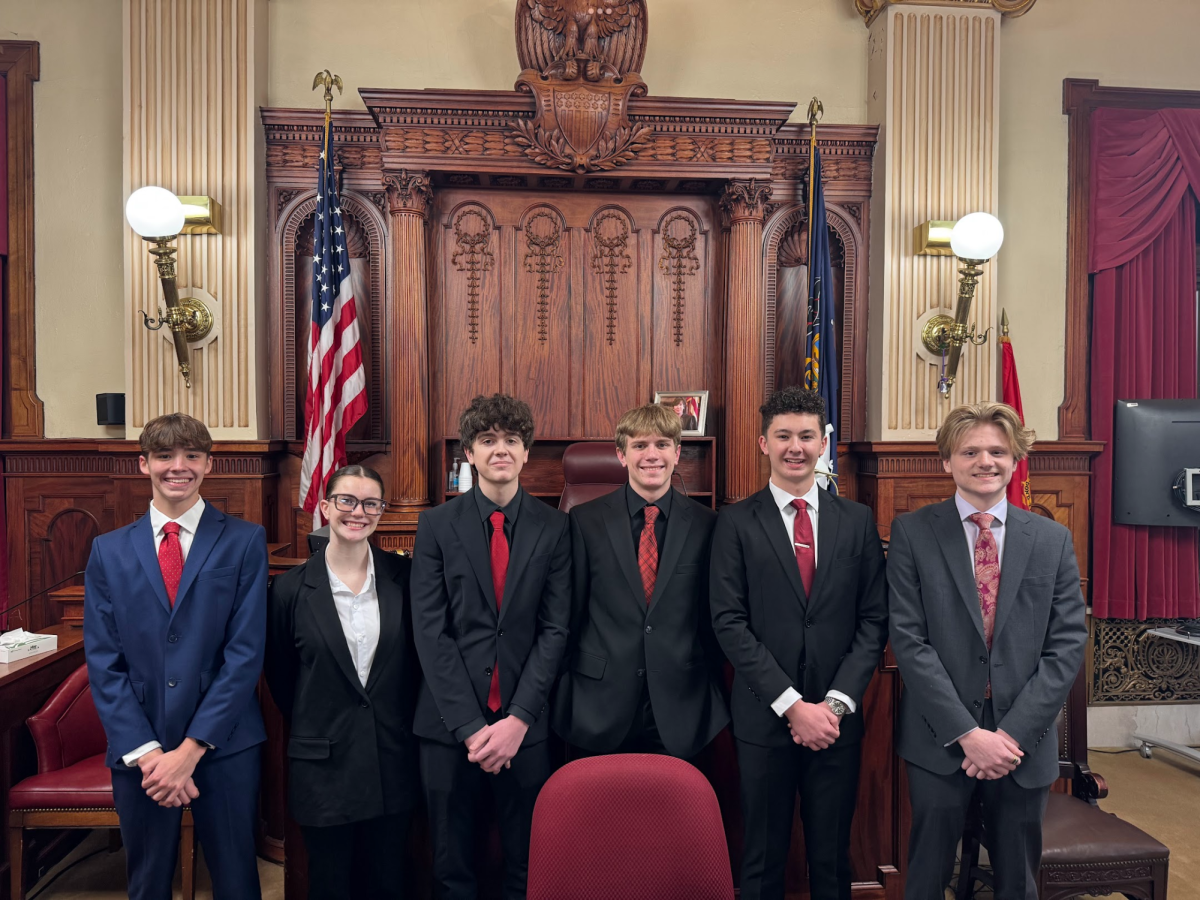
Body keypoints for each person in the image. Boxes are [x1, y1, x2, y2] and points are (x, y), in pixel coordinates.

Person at [887, 403, 1087, 900]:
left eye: (998, 451)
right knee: (927, 877)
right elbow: (910, 642)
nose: (985, 461)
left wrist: (1009, 735)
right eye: (970, 451)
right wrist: (967, 733)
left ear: (1016, 459)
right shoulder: (912, 533)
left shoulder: (1052, 538)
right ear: (946, 461)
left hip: (1023, 743)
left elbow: (1066, 646)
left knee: (1017, 883)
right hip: (939, 738)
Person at [710, 386, 887, 900]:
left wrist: (832, 705)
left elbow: (874, 620)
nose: (795, 447)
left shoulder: (856, 521)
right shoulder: (735, 522)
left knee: (832, 858)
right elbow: (728, 622)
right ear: (763, 443)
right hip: (765, 721)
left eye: (806, 436)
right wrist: (792, 707)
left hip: (837, 723)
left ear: (823, 442)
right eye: (783, 435)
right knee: (762, 858)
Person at [84, 413, 267, 900]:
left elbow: (245, 654)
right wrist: (149, 756)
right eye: (164, 456)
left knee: (236, 881)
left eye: (191, 456)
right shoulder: (108, 551)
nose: (177, 467)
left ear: (209, 464)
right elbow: (104, 663)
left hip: (224, 743)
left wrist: (191, 751)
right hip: (141, 748)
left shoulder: (245, 541)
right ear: (144, 464)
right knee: (147, 883)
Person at [410, 393, 571, 900]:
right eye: (487, 440)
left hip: (527, 727)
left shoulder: (556, 527)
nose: (500, 450)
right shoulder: (436, 526)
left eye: (511, 441)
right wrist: (473, 729)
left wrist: (517, 721)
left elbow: (555, 630)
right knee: (451, 865)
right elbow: (430, 632)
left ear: (526, 455)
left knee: (528, 865)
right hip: (449, 727)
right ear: (470, 454)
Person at [265, 465, 416, 900]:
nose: (358, 512)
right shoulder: (290, 590)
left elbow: (415, 670)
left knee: (388, 883)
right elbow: (281, 675)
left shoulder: (404, 580)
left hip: (391, 761)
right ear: (326, 506)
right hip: (323, 767)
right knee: (330, 884)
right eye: (347, 501)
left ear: (381, 512)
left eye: (371, 503)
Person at [552, 403, 728, 759]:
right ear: (621, 454)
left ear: (677, 453)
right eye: (639, 445)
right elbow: (569, 615)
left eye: (662, 445)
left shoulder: (708, 524)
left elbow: (711, 620)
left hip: (682, 703)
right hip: (597, 703)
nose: (652, 455)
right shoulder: (584, 521)